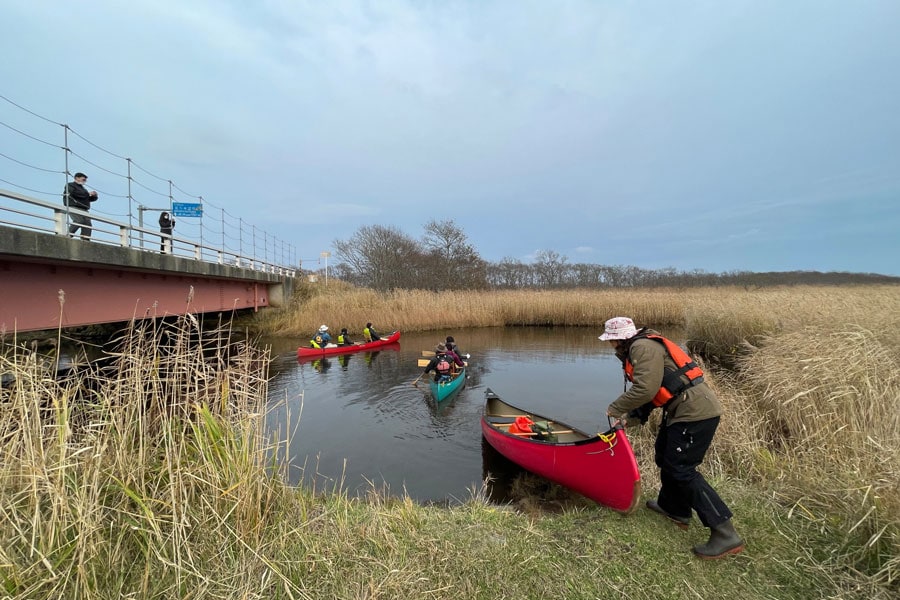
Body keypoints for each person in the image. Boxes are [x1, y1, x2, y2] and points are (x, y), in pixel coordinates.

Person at [601, 316, 744, 559]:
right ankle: (674, 508)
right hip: (681, 410)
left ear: (618, 339)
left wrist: (614, 409)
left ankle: (725, 533)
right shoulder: (640, 346)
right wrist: (631, 419)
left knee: (682, 470)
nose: (610, 345)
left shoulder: (642, 347)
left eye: (611, 341)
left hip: (695, 413)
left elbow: (645, 389)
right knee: (664, 454)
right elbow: (654, 391)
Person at [63, 172, 98, 240]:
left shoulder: (83, 189)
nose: (84, 181)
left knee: (88, 224)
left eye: (85, 180)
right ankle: (68, 236)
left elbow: (86, 198)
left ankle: (85, 240)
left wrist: (94, 196)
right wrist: (88, 194)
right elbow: (74, 193)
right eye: (83, 179)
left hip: (84, 209)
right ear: (77, 178)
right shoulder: (70, 185)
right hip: (73, 206)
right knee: (78, 221)